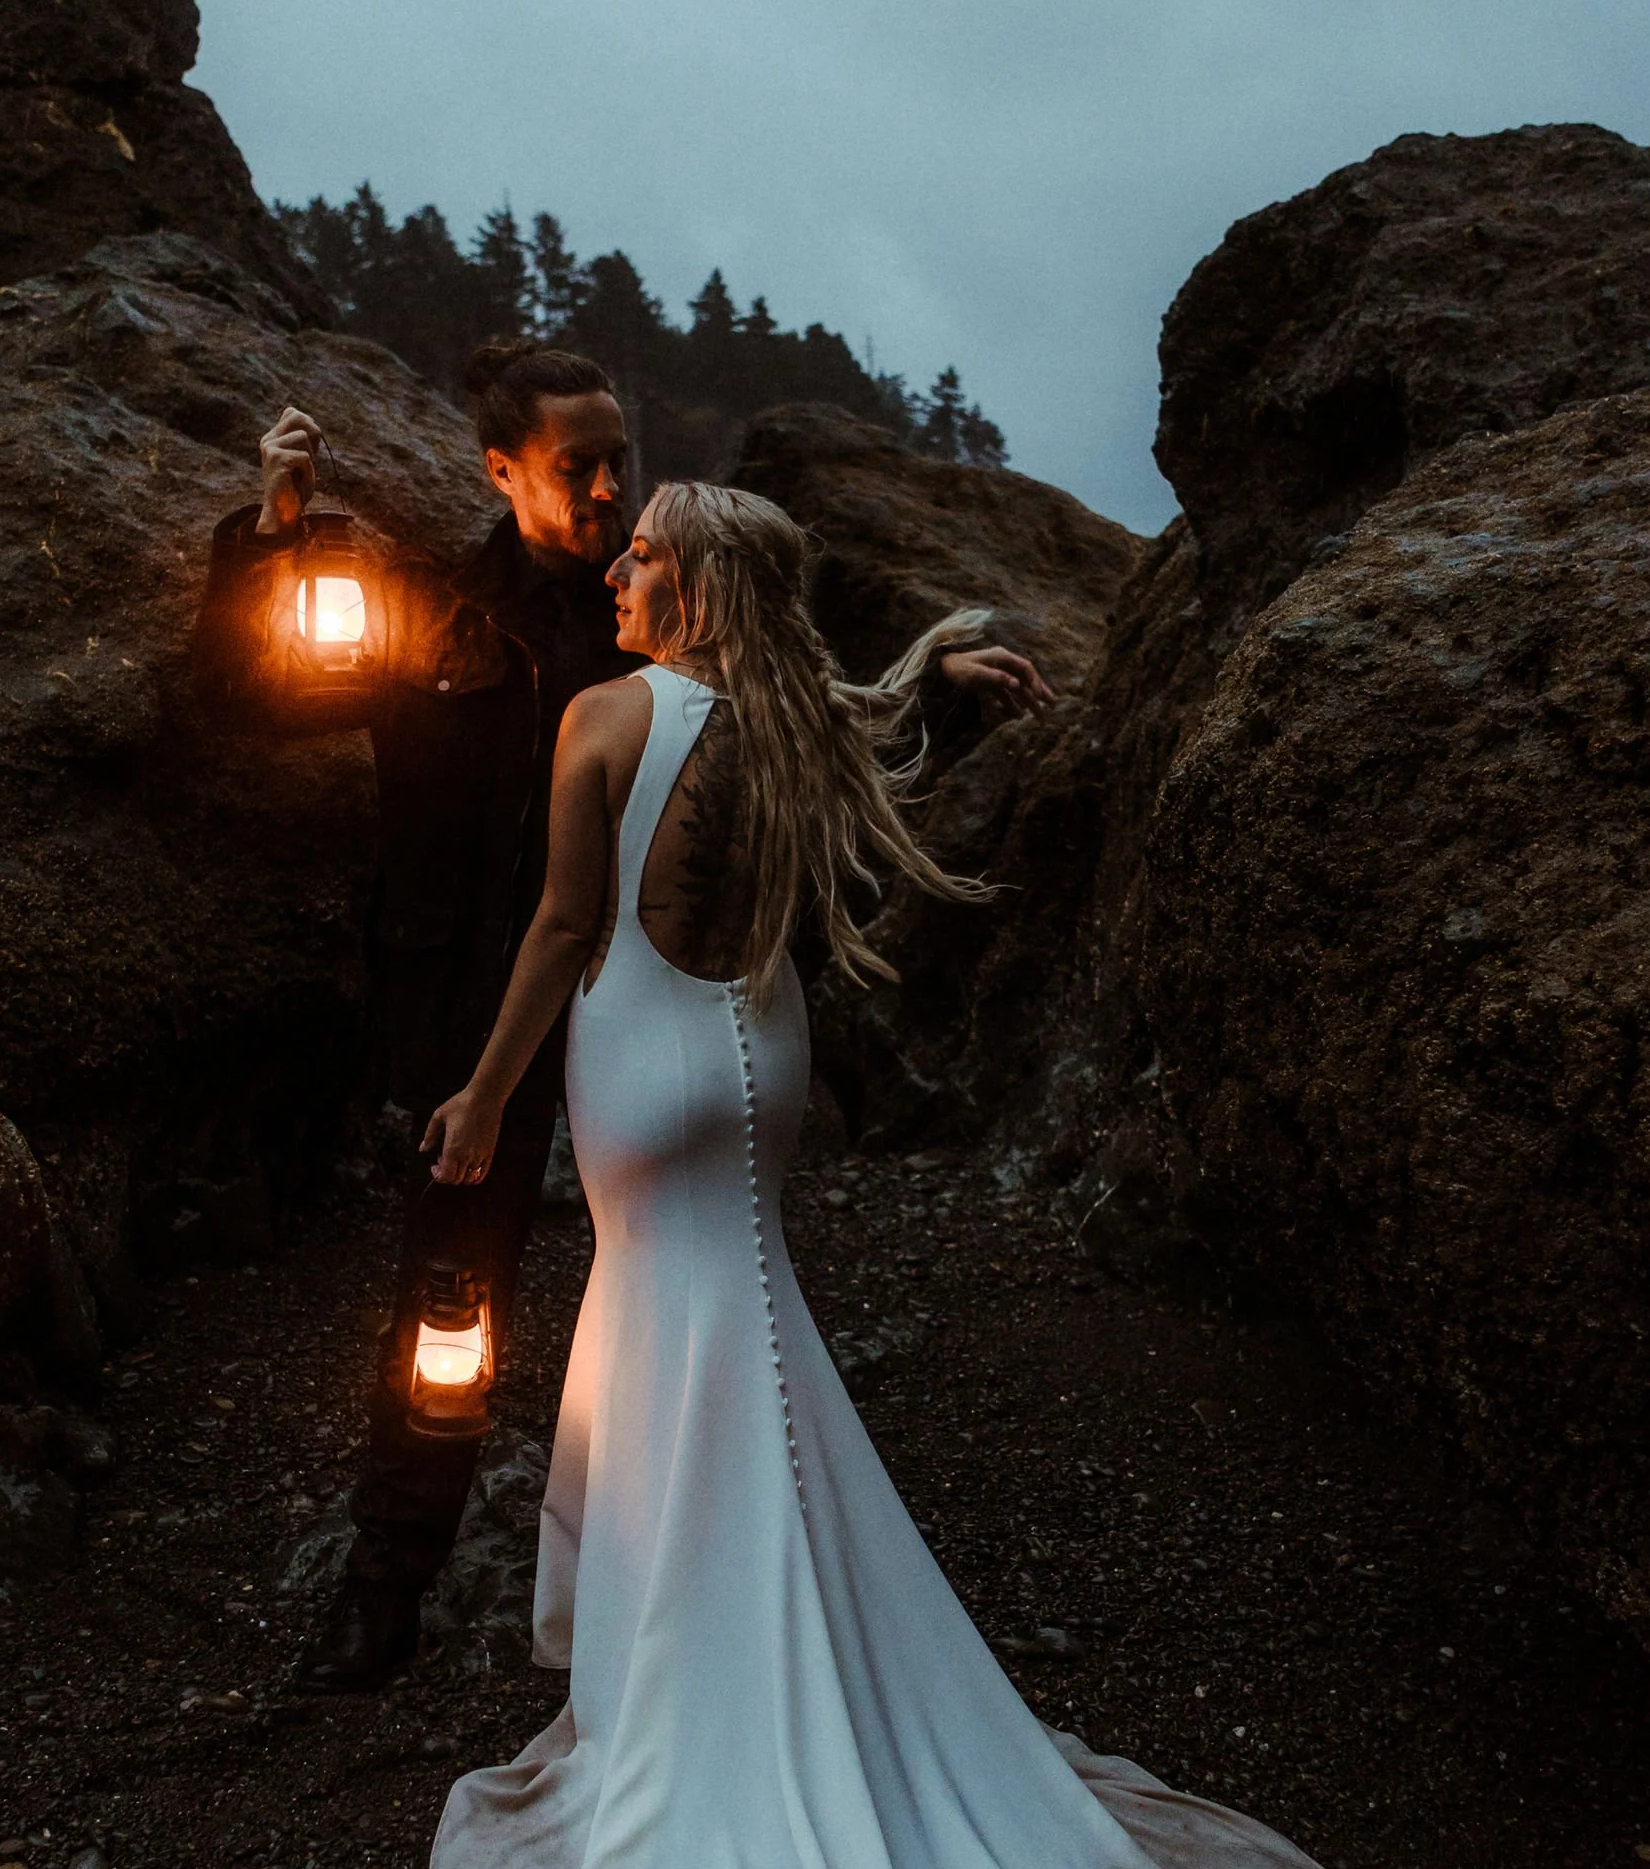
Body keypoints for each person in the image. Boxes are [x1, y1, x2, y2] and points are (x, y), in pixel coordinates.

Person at [421, 484, 1521, 1869]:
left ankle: (700, 1678)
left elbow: (565, 933)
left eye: (642, 551)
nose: (616, 565)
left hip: (636, 1070)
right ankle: (752, 1628)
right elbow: (845, 703)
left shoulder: (599, 717)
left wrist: (481, 1099)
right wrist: (922, 672)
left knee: (667, 1346)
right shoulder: (797, 723)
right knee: (739, 1346)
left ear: (687, 587)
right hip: (759, 1064)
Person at [196, 348, 1053, 1693]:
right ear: (500, 470)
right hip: (478, 1011)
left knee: (681, 1288)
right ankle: (387, 1590)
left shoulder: (657, 610)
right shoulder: (429, 613)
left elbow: (805, 723)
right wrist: (273, 532)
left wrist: (935, 687)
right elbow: (252, 696)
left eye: (618, 465)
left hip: (637, 1025)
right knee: (448, 1301)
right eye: (573, 467)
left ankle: (709, 1588)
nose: (606, 493)